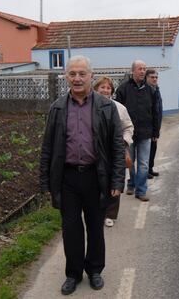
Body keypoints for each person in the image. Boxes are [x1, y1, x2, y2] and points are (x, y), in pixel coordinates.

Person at [40, 56, 125, 295]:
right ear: (66, 76)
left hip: (95, 177)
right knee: (71, 229)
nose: (77, 78)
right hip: (67, 179)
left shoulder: (106, 107)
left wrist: (117, 180)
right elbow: (47, 147)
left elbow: (117, 146)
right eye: (72, 74)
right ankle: (73, 274)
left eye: (82, 74)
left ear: (91, 76)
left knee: (95, 227)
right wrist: (45, 182)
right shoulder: (57, 107)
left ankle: (95, 270)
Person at [115, 60, 159, 202]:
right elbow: (117, 113)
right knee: (130, 161)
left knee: (144, 163)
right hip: (129, 134)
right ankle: (131, 183)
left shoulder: (151, 91)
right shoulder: (123, 89)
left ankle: (141, 191)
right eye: (139, 69)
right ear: (132, 71)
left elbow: (156, 112)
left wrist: (155, 132)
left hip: (146, 133)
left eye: (144, 69)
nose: (142, 71)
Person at [93, 76, 134, 227]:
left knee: (114, 181)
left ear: (112, 91)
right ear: (96, 89)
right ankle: (96, 211)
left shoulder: (120, 108)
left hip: (115, 151)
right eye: (102, 87)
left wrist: (122, 142)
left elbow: (129, 127)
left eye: (108, 87)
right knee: (96, 182)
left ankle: (110, 214)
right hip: (96, 152)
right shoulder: (90, 106)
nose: (105, 90)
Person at [145, 69, 163, 179]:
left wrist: (157, 129)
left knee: (153, 149)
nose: (154, 79)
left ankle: (150, 169)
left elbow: (158, 110)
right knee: (146, 151)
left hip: (156, 126)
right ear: (146, 78)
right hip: (148, 127)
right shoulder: (146, 91)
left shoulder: (156, 89)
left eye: (156, 77)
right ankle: (145, 171)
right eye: (152, 77)